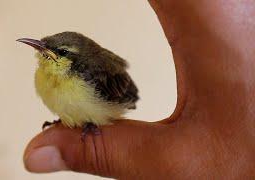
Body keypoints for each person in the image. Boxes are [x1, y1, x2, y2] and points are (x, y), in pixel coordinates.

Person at [23, 0, 255, 179]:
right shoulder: (43, 77)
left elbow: (122, 96)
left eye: (60, 53)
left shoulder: (89, 74)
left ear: (73, 60)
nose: (44, 52)